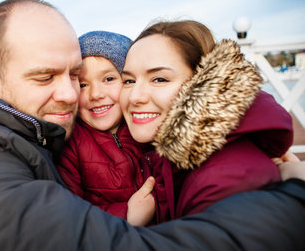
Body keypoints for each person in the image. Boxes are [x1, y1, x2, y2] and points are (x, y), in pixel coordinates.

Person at [0, 0, 305, 251]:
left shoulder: (33, 131)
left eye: (73, 74)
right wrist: (294, 197)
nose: (71, 94)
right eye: (45, 76)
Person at [120, 20, 295, 222]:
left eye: (159, 79)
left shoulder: (225, 181)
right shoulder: (170, 159)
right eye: (129, 81)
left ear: (202, 84)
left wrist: (131, 228)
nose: (134, 97)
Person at [56, 31, 155, 226]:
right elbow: (69, 215)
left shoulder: (149, 127)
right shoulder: (70, 144)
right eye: (83, 84)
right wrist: (127, 215)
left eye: (108, 79)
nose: (95, 94)